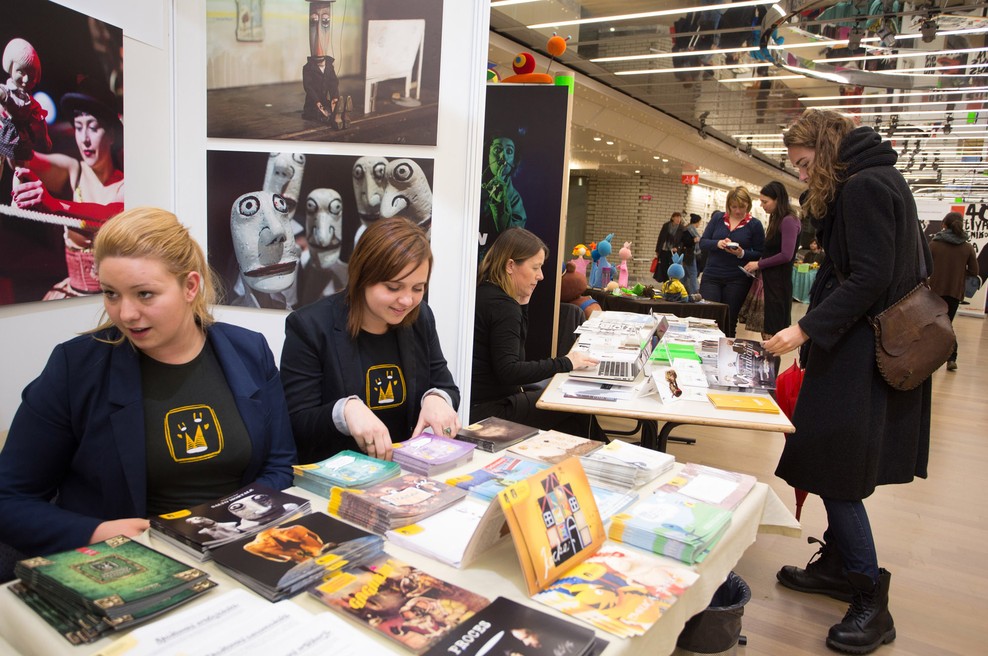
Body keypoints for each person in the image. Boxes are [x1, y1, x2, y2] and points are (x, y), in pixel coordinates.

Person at [0, 207, 296, 557]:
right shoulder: (75, 368)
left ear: (189, 286)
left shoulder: (249, 351)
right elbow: (10, 500)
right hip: (131, 560)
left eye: (144, 294)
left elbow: (279, 463)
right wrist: (96, 531)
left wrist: (237, 522)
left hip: (238, 548)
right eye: (111, 294)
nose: (126, 314)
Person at [765, 109, 931, 655]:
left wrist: (804, 328)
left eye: (807, 164)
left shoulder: (861, 187)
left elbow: (869, 276)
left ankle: (869, 599)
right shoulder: (881, 179)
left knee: (836, 469)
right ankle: (838, 566)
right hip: (863, 349)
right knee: (831, 458)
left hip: (858, 353)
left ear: (829, 150)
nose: (804, 176)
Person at [280, 217, 460, 464]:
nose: (407, 301)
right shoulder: (310, 326)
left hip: (404, 473)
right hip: (337, 477)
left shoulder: (421, 317)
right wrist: (345, 411)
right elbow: (297, 421)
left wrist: (437, 398)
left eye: (418, 288)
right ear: (362, 276)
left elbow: (447, 386)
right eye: (393, 287)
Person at [471, 228, 599, 436]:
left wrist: (523, 304)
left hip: (479, 404)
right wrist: (567, 362)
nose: (540, 276)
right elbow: (511, 371)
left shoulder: (486, 292)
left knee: (568, 411)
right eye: (536, 268)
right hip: (490, 411)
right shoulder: (504, 307)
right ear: (510, 265)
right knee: (575, 405)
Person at [10, 76, 124, 300]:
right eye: (79, 128)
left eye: (93, 128)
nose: (85, 139)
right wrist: (12, 122)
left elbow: (107, 216)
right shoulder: (74, 171)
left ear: (111, 134)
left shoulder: (125, 185)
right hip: (69, 295)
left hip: (111, 300)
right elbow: (28, 160)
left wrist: (54, 205)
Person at [698, 187, 765, 337]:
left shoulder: (754, 225)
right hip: (712, 275)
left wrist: (742, 253)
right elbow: (703, 242)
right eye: (734, 207)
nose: (738, 211)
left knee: (729, 319)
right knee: (708, 316)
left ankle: (727, 353)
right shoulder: (718, 219)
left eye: (742, 206)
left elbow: (760, 252)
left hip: (737, 278)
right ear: (728, 205)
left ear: (748, 204)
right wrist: (718, 243)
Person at [743, 181, 800, 338]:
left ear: (778, 199)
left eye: (765, 201)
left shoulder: (789, 220)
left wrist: (759, 264)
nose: (762, 205)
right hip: (769, 284)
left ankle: (771, 363)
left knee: (772, 336)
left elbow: (786, 255)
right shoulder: (776, 219)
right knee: (766, 335)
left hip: (778, 287)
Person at [927, 211, 978, 371]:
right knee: (947, 324)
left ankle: (931, 357)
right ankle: (951, 358)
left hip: (935, 291)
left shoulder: (934, 244)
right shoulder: (967, 247)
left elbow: (926, 266)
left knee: (933, 324)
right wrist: (959, 274)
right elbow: (975, 271)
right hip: (955, 292)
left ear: (944, 225)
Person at [652, 211, 683, 283]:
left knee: (672, 267)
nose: (678, 219)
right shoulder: (666, 226)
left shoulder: (681, 228)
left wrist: (678, 248)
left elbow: (682, 241)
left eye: (679, 217)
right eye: (677, 217)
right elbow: (660, 238)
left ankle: (672, 282)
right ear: (672, 218)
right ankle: (665, 282)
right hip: (664, 249)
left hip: (673, 251)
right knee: (664, 266)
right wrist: (657, 250)